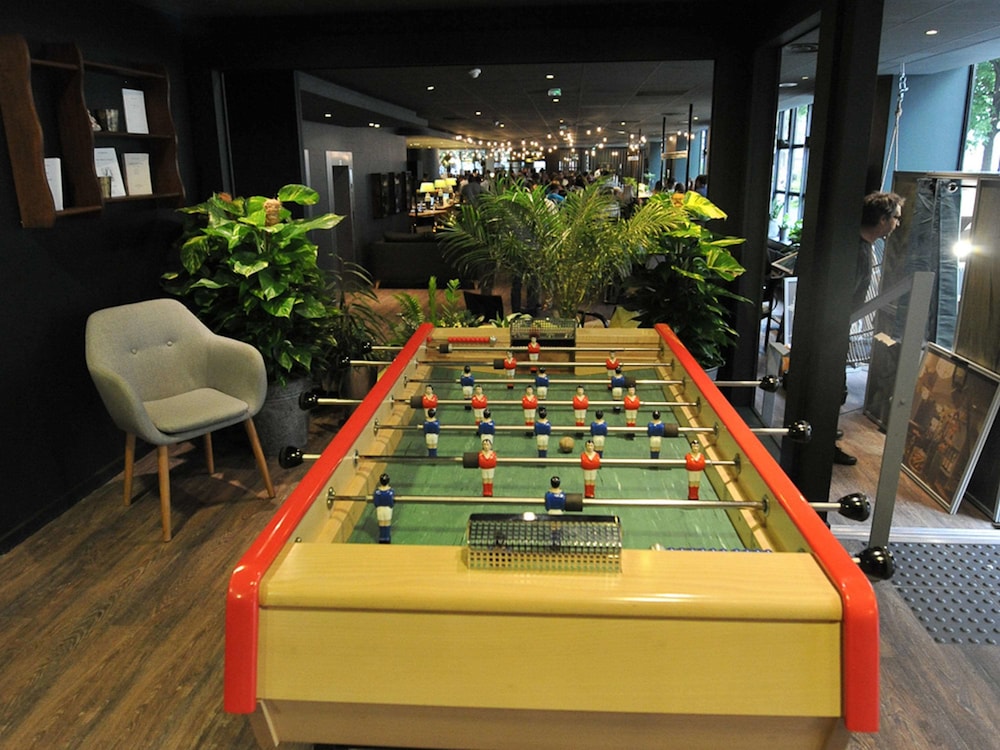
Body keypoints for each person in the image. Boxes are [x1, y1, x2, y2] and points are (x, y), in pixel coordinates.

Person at [835, 190, 905, 466]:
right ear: (883, 219)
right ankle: (824, 445)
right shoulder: (856, 251)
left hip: (838, 328)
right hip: (832, 330)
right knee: (834, 388)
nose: (897, 224)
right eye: (896, 218)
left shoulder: (861, 246)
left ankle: (825, 432)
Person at [372, 473, 395, 544]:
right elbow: (391, 502)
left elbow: (376, 502)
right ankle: (387, 537)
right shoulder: (391, 491)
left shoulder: (377, 492)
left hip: (380, 509)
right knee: (387, 522)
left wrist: (378, 506)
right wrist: (390, 506)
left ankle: (382, 537)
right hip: (387, 509)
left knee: (381, 523)